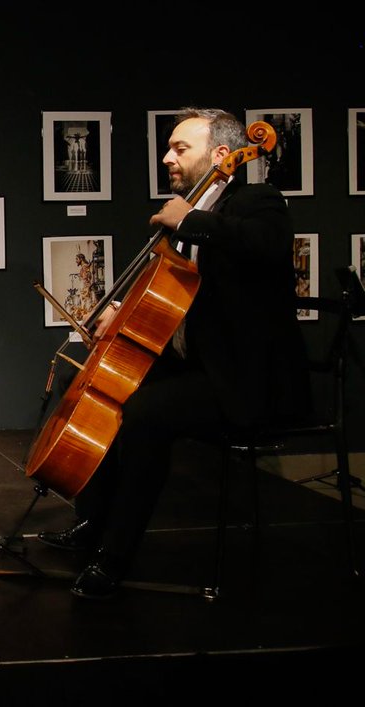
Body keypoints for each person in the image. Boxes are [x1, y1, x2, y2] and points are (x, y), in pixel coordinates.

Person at [36, 108, 311, 599]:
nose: (167, 158)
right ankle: (92, 521)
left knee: (144, 412)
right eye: (169, 148)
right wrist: (120, 308)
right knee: (92, 379)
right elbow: (175, 293)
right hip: (192, 366)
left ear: (222, 155)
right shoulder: (194, 209)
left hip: (240, 377)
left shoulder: (257, 201)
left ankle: (115, 557)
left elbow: (265, 247)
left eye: (180, 148)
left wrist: (192, 220)